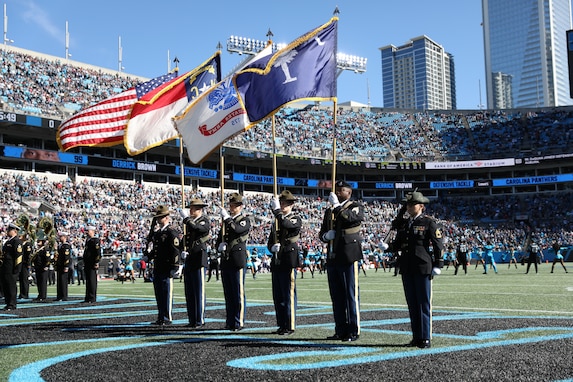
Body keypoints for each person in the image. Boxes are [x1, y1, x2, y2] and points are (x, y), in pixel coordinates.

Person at [395, 191, 444, 349]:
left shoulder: (429, 222)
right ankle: (416, 336)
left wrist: (438, 264)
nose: (409, 207)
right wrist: (387, 247)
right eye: (407, 205)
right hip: (407, 266)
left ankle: (425, 337)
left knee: (423, 303)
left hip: (423, 266)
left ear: (421, 206)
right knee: (412, 304)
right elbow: (399, 243)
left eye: (412, 204)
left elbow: (438, 244)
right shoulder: (405, 223)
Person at [319, 180, 364, 342]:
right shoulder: (330, 210)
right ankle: (340, 329)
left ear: (349, 192)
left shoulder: (355, 206)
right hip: (333, 255)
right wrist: (325, 236)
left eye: (341, 190)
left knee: (350, 294)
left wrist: (337, 206)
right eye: (336, 189)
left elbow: (351, 219)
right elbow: (322, 232)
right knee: (337, 296)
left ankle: (353, 330)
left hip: (349, 254)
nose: (337, 192)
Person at [267, 190, 302, 335]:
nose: (282, 206)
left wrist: (276, 212)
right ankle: (281, 324)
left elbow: (288, 225)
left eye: (285, 204)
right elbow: (270, 241)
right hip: (277, 260)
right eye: (281, 204)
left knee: (288, 294)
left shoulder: (295, 218)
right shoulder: (276, 221)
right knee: (278, 295)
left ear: (291, 205)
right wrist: (271, 248)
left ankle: (290, 324)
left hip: (288, 258)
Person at [216, 193, 251, 332]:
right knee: (229, 293)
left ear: (241, 206)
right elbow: (220, 237)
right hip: (226, 259)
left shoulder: (244, 220)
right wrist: (219, 245)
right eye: (231, 205)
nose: (232, 208)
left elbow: (237, 230)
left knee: (238, 293)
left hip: (237, 259)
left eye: (235, 205)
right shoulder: (226, 222)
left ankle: (239, 321)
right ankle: (230, 320)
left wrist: (226, 218)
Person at [179, 198, 211, 328]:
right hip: (190, 259)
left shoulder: (203, 221)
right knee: (190, 292)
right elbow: (185, 240)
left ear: (200, 210)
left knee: (199, 291)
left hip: (199, 257)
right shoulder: (189, 223)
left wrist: (186, 219)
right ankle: (192, 319)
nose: (191, 211)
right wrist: (182, 251)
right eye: (191, 208)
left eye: (193, 209)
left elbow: (199, 229)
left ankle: (199, 319)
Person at [147, 205, 181, 325]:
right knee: (159, 293)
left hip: (167, 266)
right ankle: (161, 316)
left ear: (167, 217)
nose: (158, 220)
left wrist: (176, 265)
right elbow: (156, 249)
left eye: (160, 217)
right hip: (158, 266)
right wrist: (148, 256)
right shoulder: (158, 233)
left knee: (166, 292)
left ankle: (167, 317)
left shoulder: (171, 232)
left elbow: (175, 250)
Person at [1, 223, 23, 310]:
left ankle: (12, 303)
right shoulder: (8, 242)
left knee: (11, 286)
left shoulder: (16, 241)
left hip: (12, 268)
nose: (7, 231)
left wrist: (17, 268)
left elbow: (18, 256)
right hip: (5, 267)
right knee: (6, 285)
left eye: (9, 230)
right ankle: (8, 302)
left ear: (14, 231)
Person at [83, 225, 101, 303]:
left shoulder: (95, 240)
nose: (87, 232)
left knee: (92, 280)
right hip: (87, 262)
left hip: (92, 262)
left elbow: (98, 252)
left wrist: (96, 261)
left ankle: (92, 297)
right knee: (88, 280)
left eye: (89, 231)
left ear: (92, 231)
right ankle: (88, 297)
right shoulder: (88, 240)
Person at [31, 235, 50, 302]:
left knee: (43, 282)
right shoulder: (38, 250)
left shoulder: (45, 249)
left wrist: (46, 266)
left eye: (39, 241)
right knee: (39, 282)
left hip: (43, 268)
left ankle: (43, 296)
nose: (38, 242)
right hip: (38, 267)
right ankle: (40, 295)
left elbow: (47, 259)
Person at [55, 231, 71, 301]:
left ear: (64, 237)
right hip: (59, 265)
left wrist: (66, 266)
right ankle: (59, 296)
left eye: (61, 236)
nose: (59, 238)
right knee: (59, 281)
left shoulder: (66, 246)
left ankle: (64, 296)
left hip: (63, 266)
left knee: (63, 281)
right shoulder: (60, 246)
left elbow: (66, 257)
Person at [18, 230, 33, 299]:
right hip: (21, 263)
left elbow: (29, 255)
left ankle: (25, 294)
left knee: (24, 279)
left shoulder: (27, 244)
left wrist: (28, 264)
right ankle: (22, 293)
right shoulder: (21, 243)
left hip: (25, 264)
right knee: (21, 279)